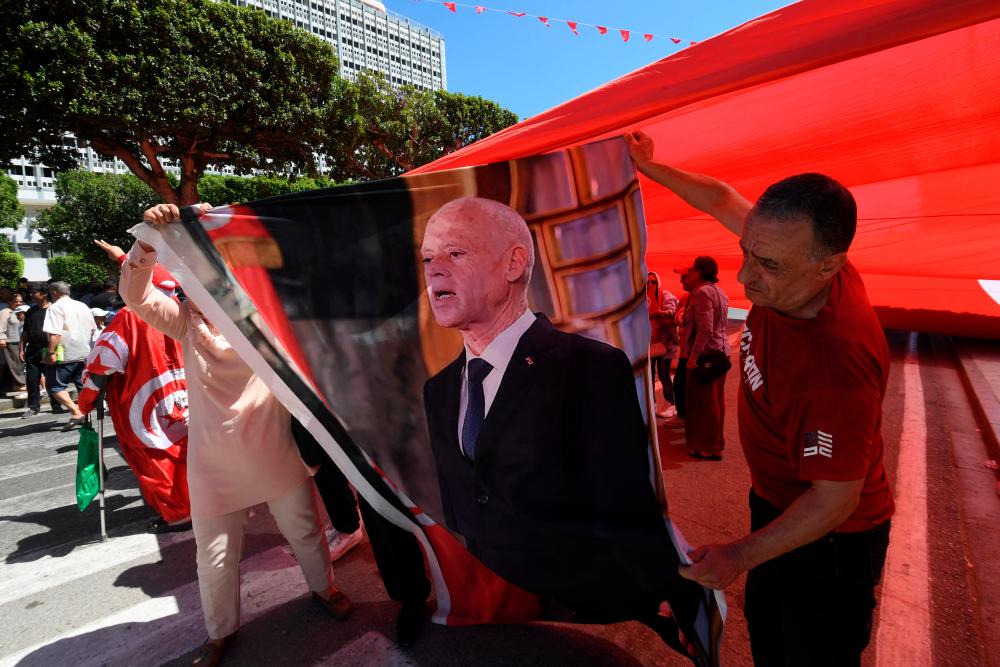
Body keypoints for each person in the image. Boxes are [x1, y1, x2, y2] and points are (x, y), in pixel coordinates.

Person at [627, 131, 894, 667]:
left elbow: (834, 499)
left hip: (830, 541)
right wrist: (650, 167)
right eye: (746, 252)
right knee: (770, 625)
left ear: (829, 265)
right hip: (776, 501)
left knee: (805, 649)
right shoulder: (800, 254)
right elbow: (723, 199)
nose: (747, 278)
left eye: (768, 265)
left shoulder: (833, 360)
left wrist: (738, 556)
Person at [420, 196, 704, 657]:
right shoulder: (438, 390)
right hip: (491, 612)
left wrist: (665, 588)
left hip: (578, 607)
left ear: (514, 263)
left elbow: (625, 496)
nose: (434, 271)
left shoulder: (590, 368)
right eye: (428, 258)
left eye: (456, 253)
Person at [123, 203, 353, 666]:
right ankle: (219, 633)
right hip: (214, 464)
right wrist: (146, 242)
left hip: (275, 451)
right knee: (213, 557)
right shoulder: (185, 322)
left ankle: (324, 590)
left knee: (305, 533)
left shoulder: (263, 322)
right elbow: (136, 296)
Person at [79, 239, 192, 534]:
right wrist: (121, 256)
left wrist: (86, 399)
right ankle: (199, 505)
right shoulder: (184, 309)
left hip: (143, 404)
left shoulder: (129, 318)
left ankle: (179, 515)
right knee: (186, 456)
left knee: (156, 460)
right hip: (185, 397)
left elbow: (102, 362)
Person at [677, 256, 730, 461]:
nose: (687, 275)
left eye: (690, 271)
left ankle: (706, 447)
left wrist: (694, 356)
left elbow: (705, 328)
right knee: (716, 401)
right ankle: (716, 442)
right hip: (720, 352)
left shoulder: (701, 292)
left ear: (699, 272)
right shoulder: (720, 292)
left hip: (707, 353)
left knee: (703, 403)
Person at [42, 281, 95, 430]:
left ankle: (76, 412)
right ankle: (84, 413)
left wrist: (50, 352)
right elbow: (92, 329)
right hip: (84, 351)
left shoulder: (56, 307)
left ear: (54, 293)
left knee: (54, 386)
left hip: (64, 353)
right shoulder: (82, 305)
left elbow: (55, 333)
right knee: (81, 385)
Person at [647, 271, 679, 418]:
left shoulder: (665, 295)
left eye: (653, 282)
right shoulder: (643, 298)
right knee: (650, 375)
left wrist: (658, 313)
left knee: (664, 374)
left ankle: (670, 404)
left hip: (665, 343)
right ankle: (651, 404)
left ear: (658, 283)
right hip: (650, 344)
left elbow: (671, 312)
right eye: (647, 282)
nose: (650, 285)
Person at [20, 284, 53, 418]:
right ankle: (33, 406)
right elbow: (25, 332)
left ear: (44, 294)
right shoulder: (30, 312)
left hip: (49, 349)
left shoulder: (54, 309)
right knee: (32, 379)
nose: (31, 295)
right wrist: (21, 349)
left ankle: (56, 404)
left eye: (34, 293)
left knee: (51, 378)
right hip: (33, 349)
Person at [0, 292, 27, 392]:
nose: (19, 303)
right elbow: (1, 327)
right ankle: (19, 384)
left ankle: (20, 383)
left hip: (20, 341)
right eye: (16, 301)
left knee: (20, 364)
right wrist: (2, 338)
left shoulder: (22, 311)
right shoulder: (5, 312)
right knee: (15, 364)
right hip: (9, 342)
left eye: (20, 301)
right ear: (10, 301)